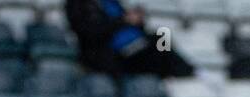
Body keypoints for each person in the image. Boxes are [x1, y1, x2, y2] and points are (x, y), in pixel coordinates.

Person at [64, 0, 193, 78]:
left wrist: (137, 20)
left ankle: (182, 72)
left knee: (162, 37)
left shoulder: (111, 2)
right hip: (107, 54)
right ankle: (184, 72)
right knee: (157, 47)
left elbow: (131, 24)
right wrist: (124, 20)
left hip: (132, 45)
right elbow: (90, 32)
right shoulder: (77, 3)